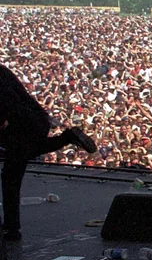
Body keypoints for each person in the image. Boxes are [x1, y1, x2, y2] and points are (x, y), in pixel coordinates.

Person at [1, 63, 97, 241]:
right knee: (31, 150)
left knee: (10, 177)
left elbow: (5, 102)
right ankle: (67, 137)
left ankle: (12, 228)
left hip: (20, 126)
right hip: (37, 119)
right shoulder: (3, 70)